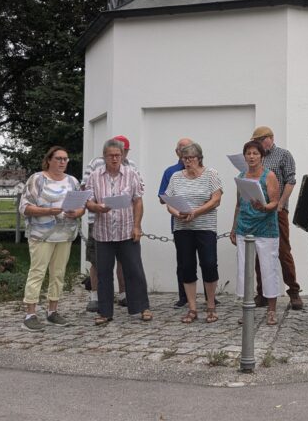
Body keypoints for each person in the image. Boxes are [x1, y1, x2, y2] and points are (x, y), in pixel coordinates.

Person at [84, 139, 152, 325]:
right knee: (104, 273)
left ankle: (142, 307)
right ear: (104, 157)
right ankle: (105, 311)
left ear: (122, 156)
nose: (114, 159)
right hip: (103, 232)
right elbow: (87, 201)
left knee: (135, 270)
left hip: (126, 230)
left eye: (117, 155)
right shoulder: (95, 176)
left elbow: (138, 201)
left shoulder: (131, 174)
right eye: (110, 155)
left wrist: (137, 226)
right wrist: (96, 207)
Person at [18, 146, 85, 331]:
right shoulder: (37, 179)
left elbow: (82, 207)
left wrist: (76, 212)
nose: (62, 162)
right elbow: (24, 207)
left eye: (65, 159)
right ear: (49, 160)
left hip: (65, 234)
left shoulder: (72, 181)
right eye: (59, 158)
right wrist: (48, 211)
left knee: (58, 273)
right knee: (37, 272)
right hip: (41, 235)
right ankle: (30, 313)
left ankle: (52, 311)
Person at [165, 142, 223, 323]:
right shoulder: (175, 177)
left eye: (191, 158)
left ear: (199, 158)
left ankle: (211, 305)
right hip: (183, 229)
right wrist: (178, 214)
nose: (188, 161)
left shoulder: (211, 174)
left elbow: (216, 199)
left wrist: (196, 212)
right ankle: (192, 307)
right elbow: (169, 202)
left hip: (205, 227)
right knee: (187, 266)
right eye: (185, 158)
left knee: (209, 264)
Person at [81, 134, 137, 312]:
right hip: (99, 221)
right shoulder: (96, 164)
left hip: (123, 221)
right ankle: (95, 297)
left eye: (123, 152)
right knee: (97, 261)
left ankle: (123, 294)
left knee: (124, 261)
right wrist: (97, 205)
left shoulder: (131, 167)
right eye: (115, 152)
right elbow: (84, 188)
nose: (120, 155)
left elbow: (137, 195)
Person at [251, 126, 304, 310]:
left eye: (260, 140)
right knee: (259, 252)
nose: (257, 144)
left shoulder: (283, 155)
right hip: (258, 210)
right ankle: (262, 293)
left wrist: (281, 203)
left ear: (270, 138)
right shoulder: (257, 156)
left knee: (283, 250)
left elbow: (290, 180)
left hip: (277, 210)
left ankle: (294, 291)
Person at [230, 140, 282, 326]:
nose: (251, 157)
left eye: (255, 153)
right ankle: (247, 309)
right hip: (245, 226)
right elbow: (239, 204)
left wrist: (264, 207)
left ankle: (271, 311)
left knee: (268, 269)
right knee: (244, 269)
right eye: (248, 153)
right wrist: (234, 227)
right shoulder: (241, 176)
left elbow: (275, 202)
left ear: (261, 156)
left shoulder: (269, 176)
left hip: (265, 228)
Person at [158, 137, 193, 308]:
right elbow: (162, 197)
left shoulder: (205, 171)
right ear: (177, 152)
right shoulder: (170, 172)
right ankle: (183, 295)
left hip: (201, 222)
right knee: (183, 261)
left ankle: (209, 295)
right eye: (183, 149)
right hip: (179, 222)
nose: (187, 153)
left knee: (206, 260)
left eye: (190, 149)